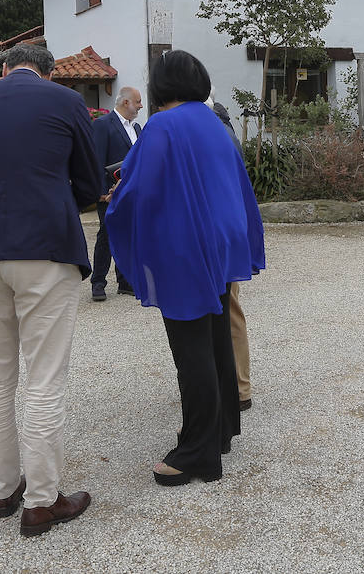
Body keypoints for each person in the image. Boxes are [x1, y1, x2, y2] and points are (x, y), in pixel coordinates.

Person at [0, 44, 103, 536]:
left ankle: (3, 490)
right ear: (48, 71)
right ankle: (41, 502)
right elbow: (91, 180)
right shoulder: (64, 101)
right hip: (44, 248)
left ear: (6, 69)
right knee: (44, 378)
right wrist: (60, 197)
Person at [106, 50, 265, 486]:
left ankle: (196, 453)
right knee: (215, 337)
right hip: (220, 239)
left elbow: (138, 186)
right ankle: (222, 431)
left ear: (160, 86)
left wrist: (112, 202)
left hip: (186, 245)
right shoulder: (211, 120)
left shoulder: (163, 125)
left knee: (190, 347)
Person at [212, 100, 254, 413]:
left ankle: (238, 387)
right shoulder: (222, 124)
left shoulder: (214, 129)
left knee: (228, 308)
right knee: (229, 308)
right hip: (228, 229)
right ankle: (236, 385)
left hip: (219, 231)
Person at [88, 87, 142, 301]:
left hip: (131, 192)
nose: (140, 105)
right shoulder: (103, 124)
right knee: (106, 234)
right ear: (125, 102)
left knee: (128, 235)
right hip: (110, 193)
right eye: (137, 101)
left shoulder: (137, 128)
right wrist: (101, 192)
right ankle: (98, 282)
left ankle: (125, 281)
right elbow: (96, 159)